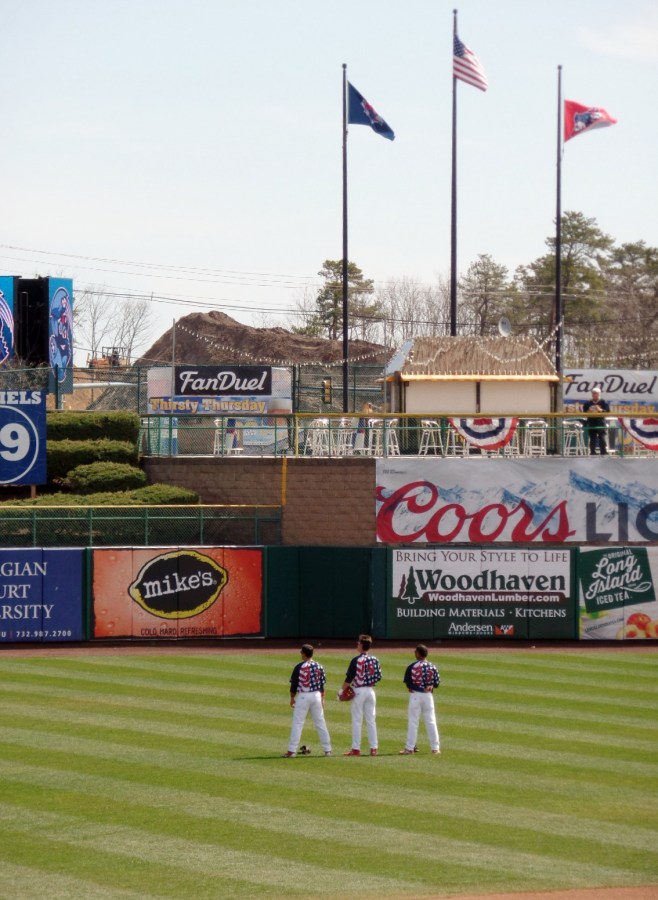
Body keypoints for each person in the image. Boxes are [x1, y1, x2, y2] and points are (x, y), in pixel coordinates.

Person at [283, 644, 332, 758]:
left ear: (304, 653)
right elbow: (322, 685)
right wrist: (322, 698)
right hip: (317, 695)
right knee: (320, 722)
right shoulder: (319, 666)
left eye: (301, 652)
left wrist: (292, 698)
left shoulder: (299, 666)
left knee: (298, 723)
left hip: (303, 696)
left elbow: (294, 685)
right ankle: (328, 750)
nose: (300, 653)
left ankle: (292, 751)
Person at [341, 634, 382, 756]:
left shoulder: (356, 660)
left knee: (357, 720)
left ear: (362, 645)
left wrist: (341, 691)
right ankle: (373, 748)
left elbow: (349, 678)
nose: (357, 644)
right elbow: (378, 676)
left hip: (359, 691)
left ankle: (356, 749)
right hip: (371, 691)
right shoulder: (375, 660)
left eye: (358, 643)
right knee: (371, 721)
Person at [400, 645, 441, 755]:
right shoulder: (432, 666)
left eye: (415, 651)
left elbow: (408, 684)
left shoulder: (412, 666)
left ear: (418, 653)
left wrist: (417, 688)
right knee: (431, 721)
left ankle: (409, 748)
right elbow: (437, 683)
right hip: (428, 696)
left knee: (413, 722)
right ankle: (435, 748)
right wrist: (430, 685)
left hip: (415, 696)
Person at [582, 387, 610, 455]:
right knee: (592, 437)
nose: (594, 395)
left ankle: (603, 452)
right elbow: (584, 412)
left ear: (599, 394)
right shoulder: (588, 403)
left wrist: (600, 410)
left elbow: (607, 411)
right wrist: (589, 410)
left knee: (602, 436)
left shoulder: (603, 402)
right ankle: (592, 452)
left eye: (596, 393)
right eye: (593, 393)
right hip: (591, 421)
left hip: (600, 421)